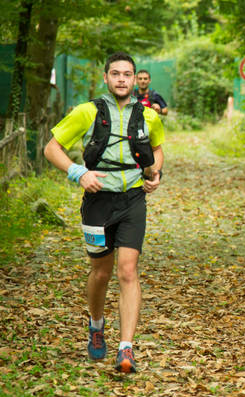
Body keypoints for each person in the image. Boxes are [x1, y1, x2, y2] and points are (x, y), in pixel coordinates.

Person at [43, 52, 165, 373]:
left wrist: (157, 174)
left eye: (127, 74)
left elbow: (157, 149)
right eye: (116, 74)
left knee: (128, 270)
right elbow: (51, 148)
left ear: (136, 78)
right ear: (107, 78)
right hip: (97, 203)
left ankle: (126, 348)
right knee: (101, 273)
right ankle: (96, 326)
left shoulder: (149, 115)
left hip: (133, 201)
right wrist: (78, 173)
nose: (122, 79)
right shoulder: (87, 112)